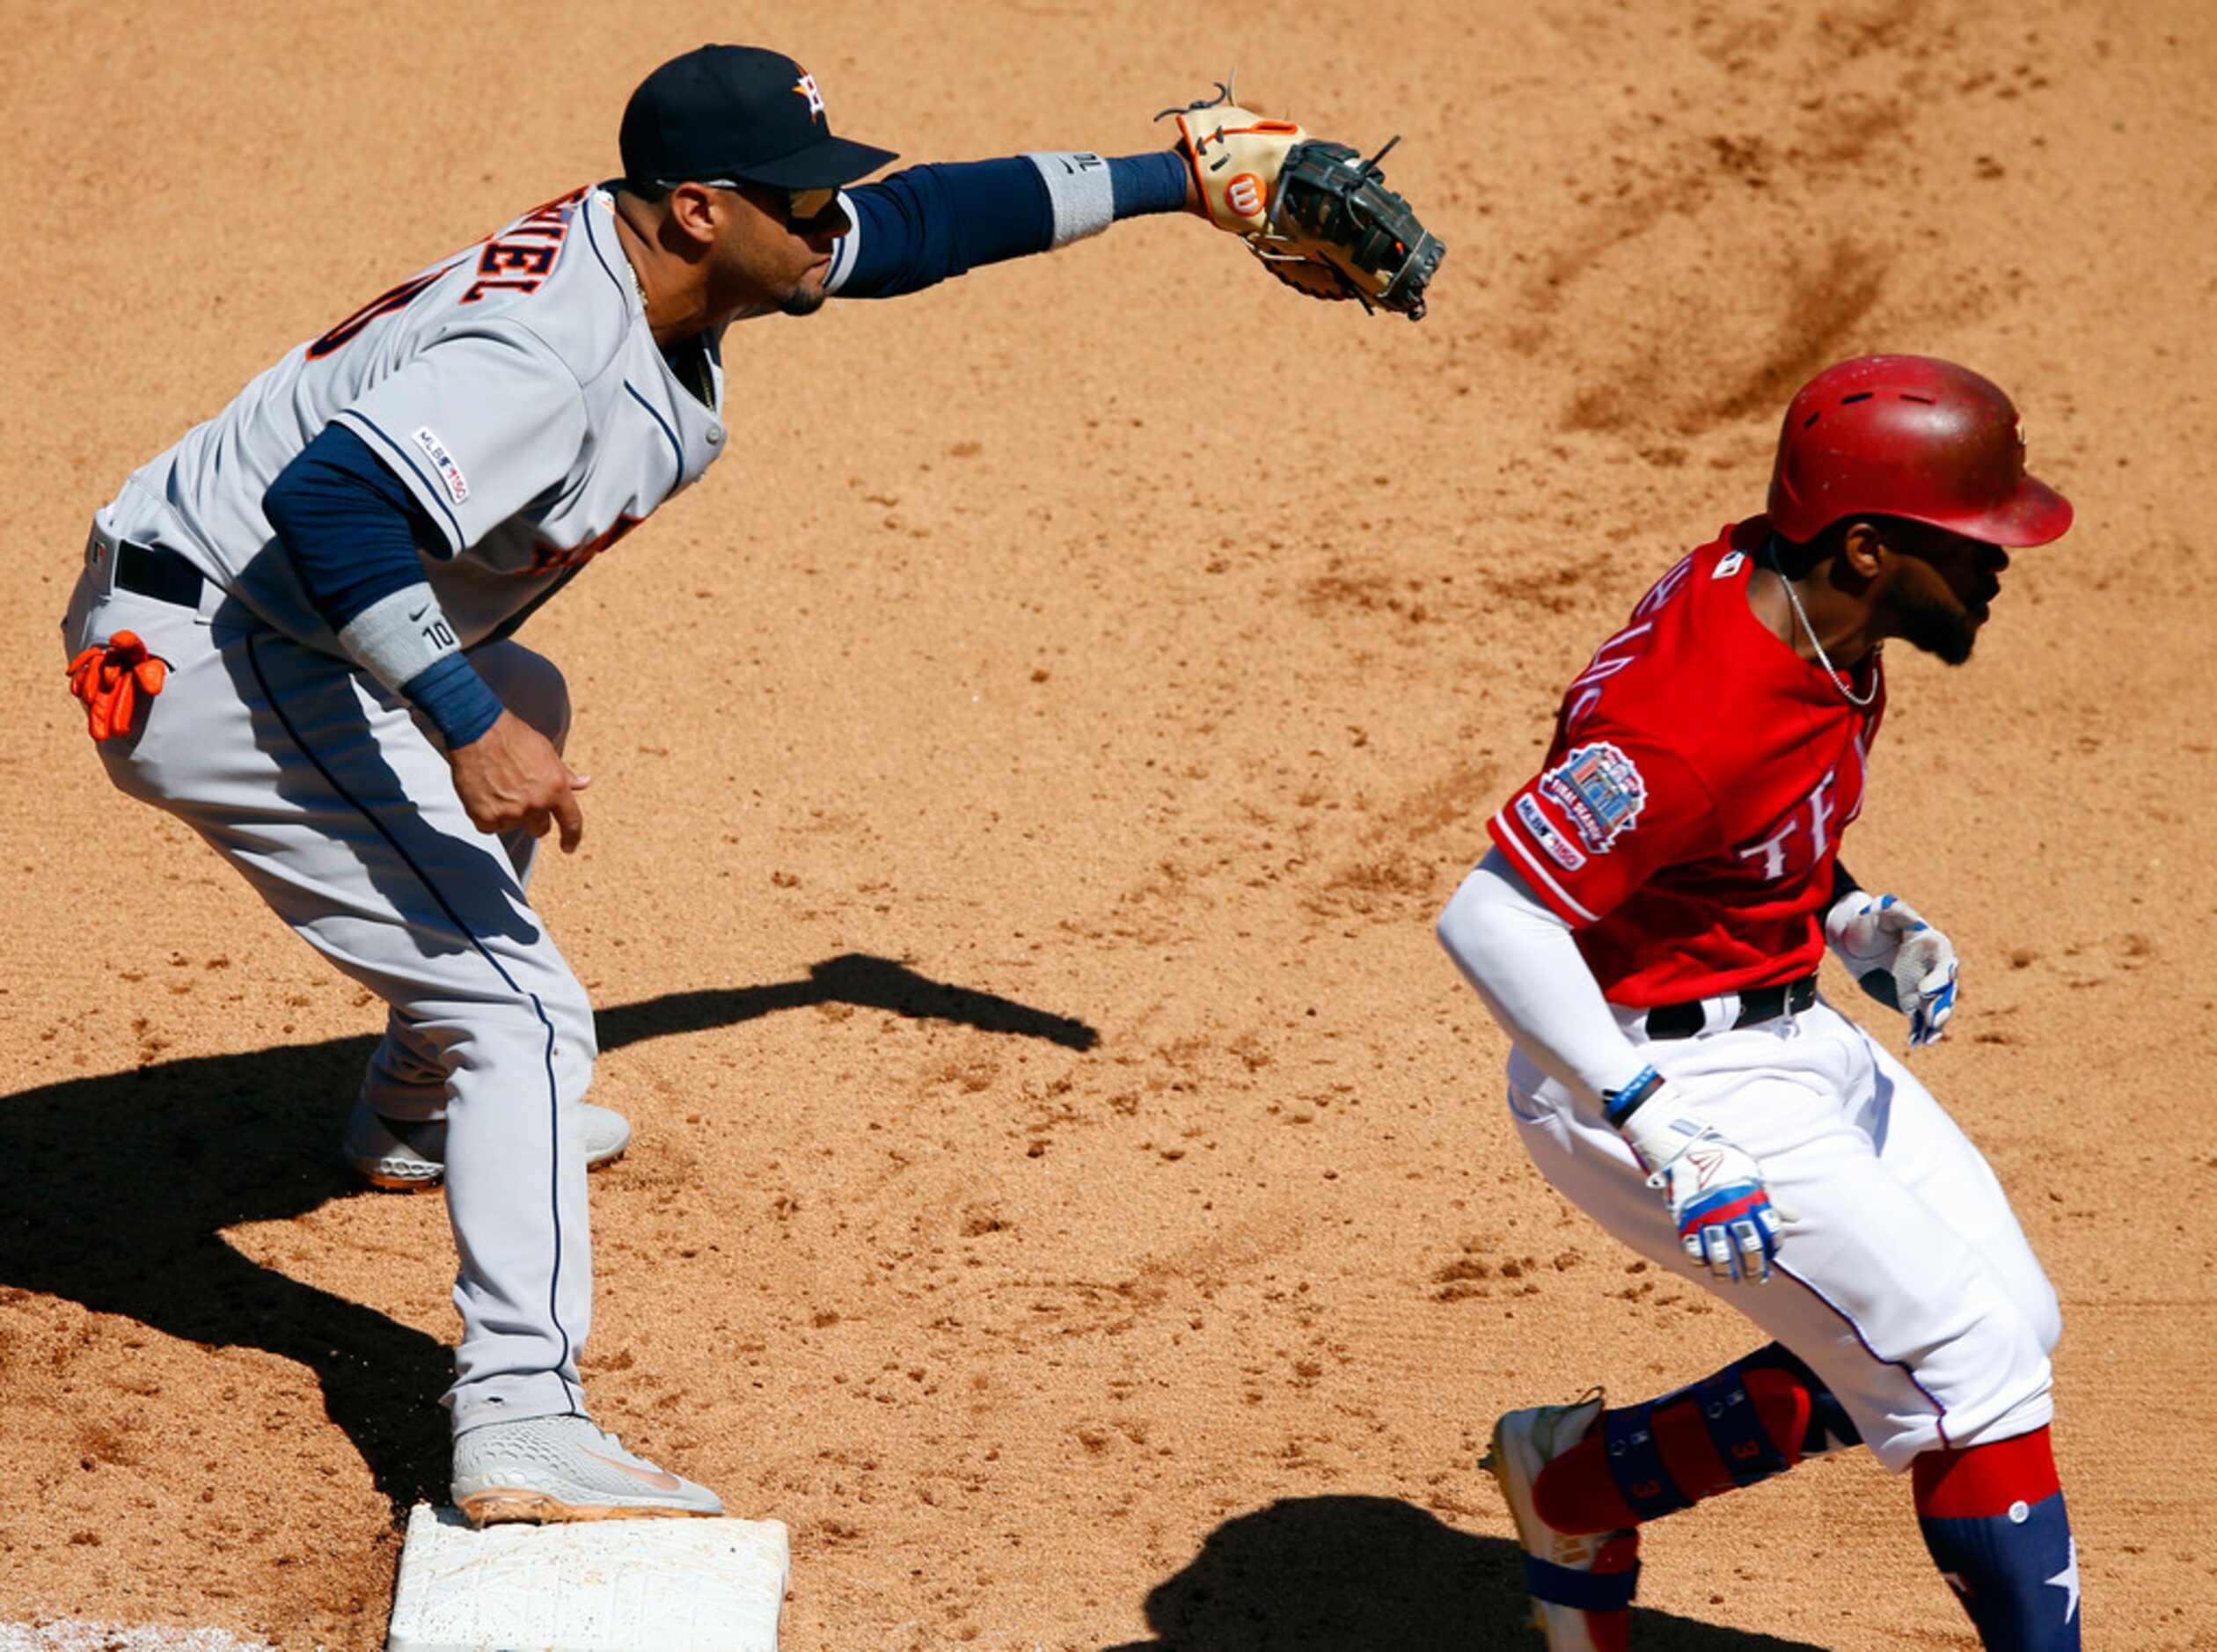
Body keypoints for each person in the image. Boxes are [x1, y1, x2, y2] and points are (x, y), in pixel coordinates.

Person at [60, 43, 1231, 1525]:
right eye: (803, 205)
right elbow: (333, 501)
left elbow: (920, 226)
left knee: (528, 707)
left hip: (257, 608)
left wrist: (1172, 184)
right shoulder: (546, 351)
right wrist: (464, 719)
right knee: (528, 1009)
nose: (830, 225)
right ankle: (517, 1418)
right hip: (212, 645)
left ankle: (418, 1114)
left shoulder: (683, 252)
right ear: (696, 210)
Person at [1433, 355, 2081, 1649]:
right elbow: (1492, 913)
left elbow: (1743, 818)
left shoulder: (1801, 605)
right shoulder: (1693, 716)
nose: (2001, 562)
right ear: (1860, 549)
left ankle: (1579, 1486)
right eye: (1973, 541)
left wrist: (1845, 913)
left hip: (1787, 1031)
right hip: (1653, 1080)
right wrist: (1657, 1122)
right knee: (1970, 1369)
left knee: (2010, 1321)